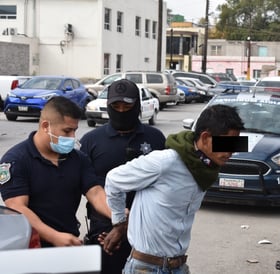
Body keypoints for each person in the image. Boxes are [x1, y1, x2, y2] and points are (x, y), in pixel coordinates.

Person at [103, 104, 244, 274]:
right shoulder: (165, 162)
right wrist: (119, 223)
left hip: (178, 266)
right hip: (145, 268)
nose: (231, 152)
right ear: (205, 137)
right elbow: (114, 179)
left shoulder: (206, 170)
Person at [80, 79, 166, 274]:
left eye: (127, 106)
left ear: (137, 105)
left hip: (146, 231)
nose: (121, 110)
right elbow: (88, 188)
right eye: (116, 106)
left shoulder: (155, 138)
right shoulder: (91, 141)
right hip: (104, 231)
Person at [0, 96, 111, 247]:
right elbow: (17, 207)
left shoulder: (78, 159)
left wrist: (116, 214)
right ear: (46, 126)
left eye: (74, 130)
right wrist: (54, 236)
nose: (72, 137)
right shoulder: (16, 161)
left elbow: (95, 193)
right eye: (67, 131)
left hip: (69, 241)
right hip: (31, 246)